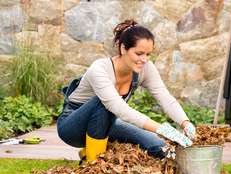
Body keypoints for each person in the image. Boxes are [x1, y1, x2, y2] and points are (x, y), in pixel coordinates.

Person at [57, 19, 196, 163]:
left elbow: (165, 97)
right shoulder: (99, 69)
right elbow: (118, 108)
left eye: (148, 54)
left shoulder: (145, 68)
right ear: (123, 48)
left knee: (159, 146)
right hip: (72, 127)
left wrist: (185, 123)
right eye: (139, 53)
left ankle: (95, 150)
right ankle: (93, 164)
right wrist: (164, 130)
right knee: (104, 103)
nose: (144, 59)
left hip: (108, 123)